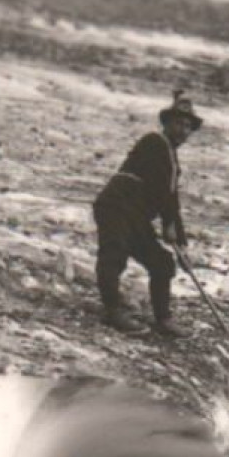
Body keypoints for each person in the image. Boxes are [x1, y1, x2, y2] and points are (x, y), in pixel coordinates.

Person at [91, 98, 204, 336]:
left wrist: (180, 244)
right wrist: (169, 227)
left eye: (188, 127)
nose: (184, 131)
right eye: (179, 124)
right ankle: (113, 311)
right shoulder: (153, 143)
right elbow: (163, 192)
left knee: (161, 262)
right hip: (117, 206)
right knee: (114, 254)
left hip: (136, 215)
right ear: (167, 124)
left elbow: (171, 199)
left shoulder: (171, 157)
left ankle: (163, 319)